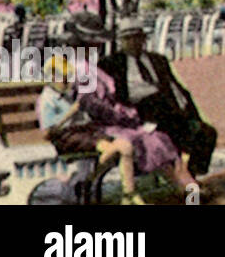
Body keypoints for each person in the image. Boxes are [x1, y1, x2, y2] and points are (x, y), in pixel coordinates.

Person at [39, 56, 198, 204]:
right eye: (63, 79)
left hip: (89, 131)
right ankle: (113, 189)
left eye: (68, 79)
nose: (67, 83)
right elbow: (48, 133)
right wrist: (70, 114)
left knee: (153, 140)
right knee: (125, 146)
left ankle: (183, 189)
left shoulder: (70, 91)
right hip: (70, 136)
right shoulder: (48, 100)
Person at [100, 19, 217, 179]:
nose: (133, 42)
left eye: (137, 37)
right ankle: (184, 181)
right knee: (163, 128)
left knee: (205, 132)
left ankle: (191, 174)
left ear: (144, 39)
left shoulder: (158, 60)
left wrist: (191, 113)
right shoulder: (110, 63)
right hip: (137, 113)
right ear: (121, 41)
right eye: (128, 38)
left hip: (166, 111)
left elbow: (177, 89)